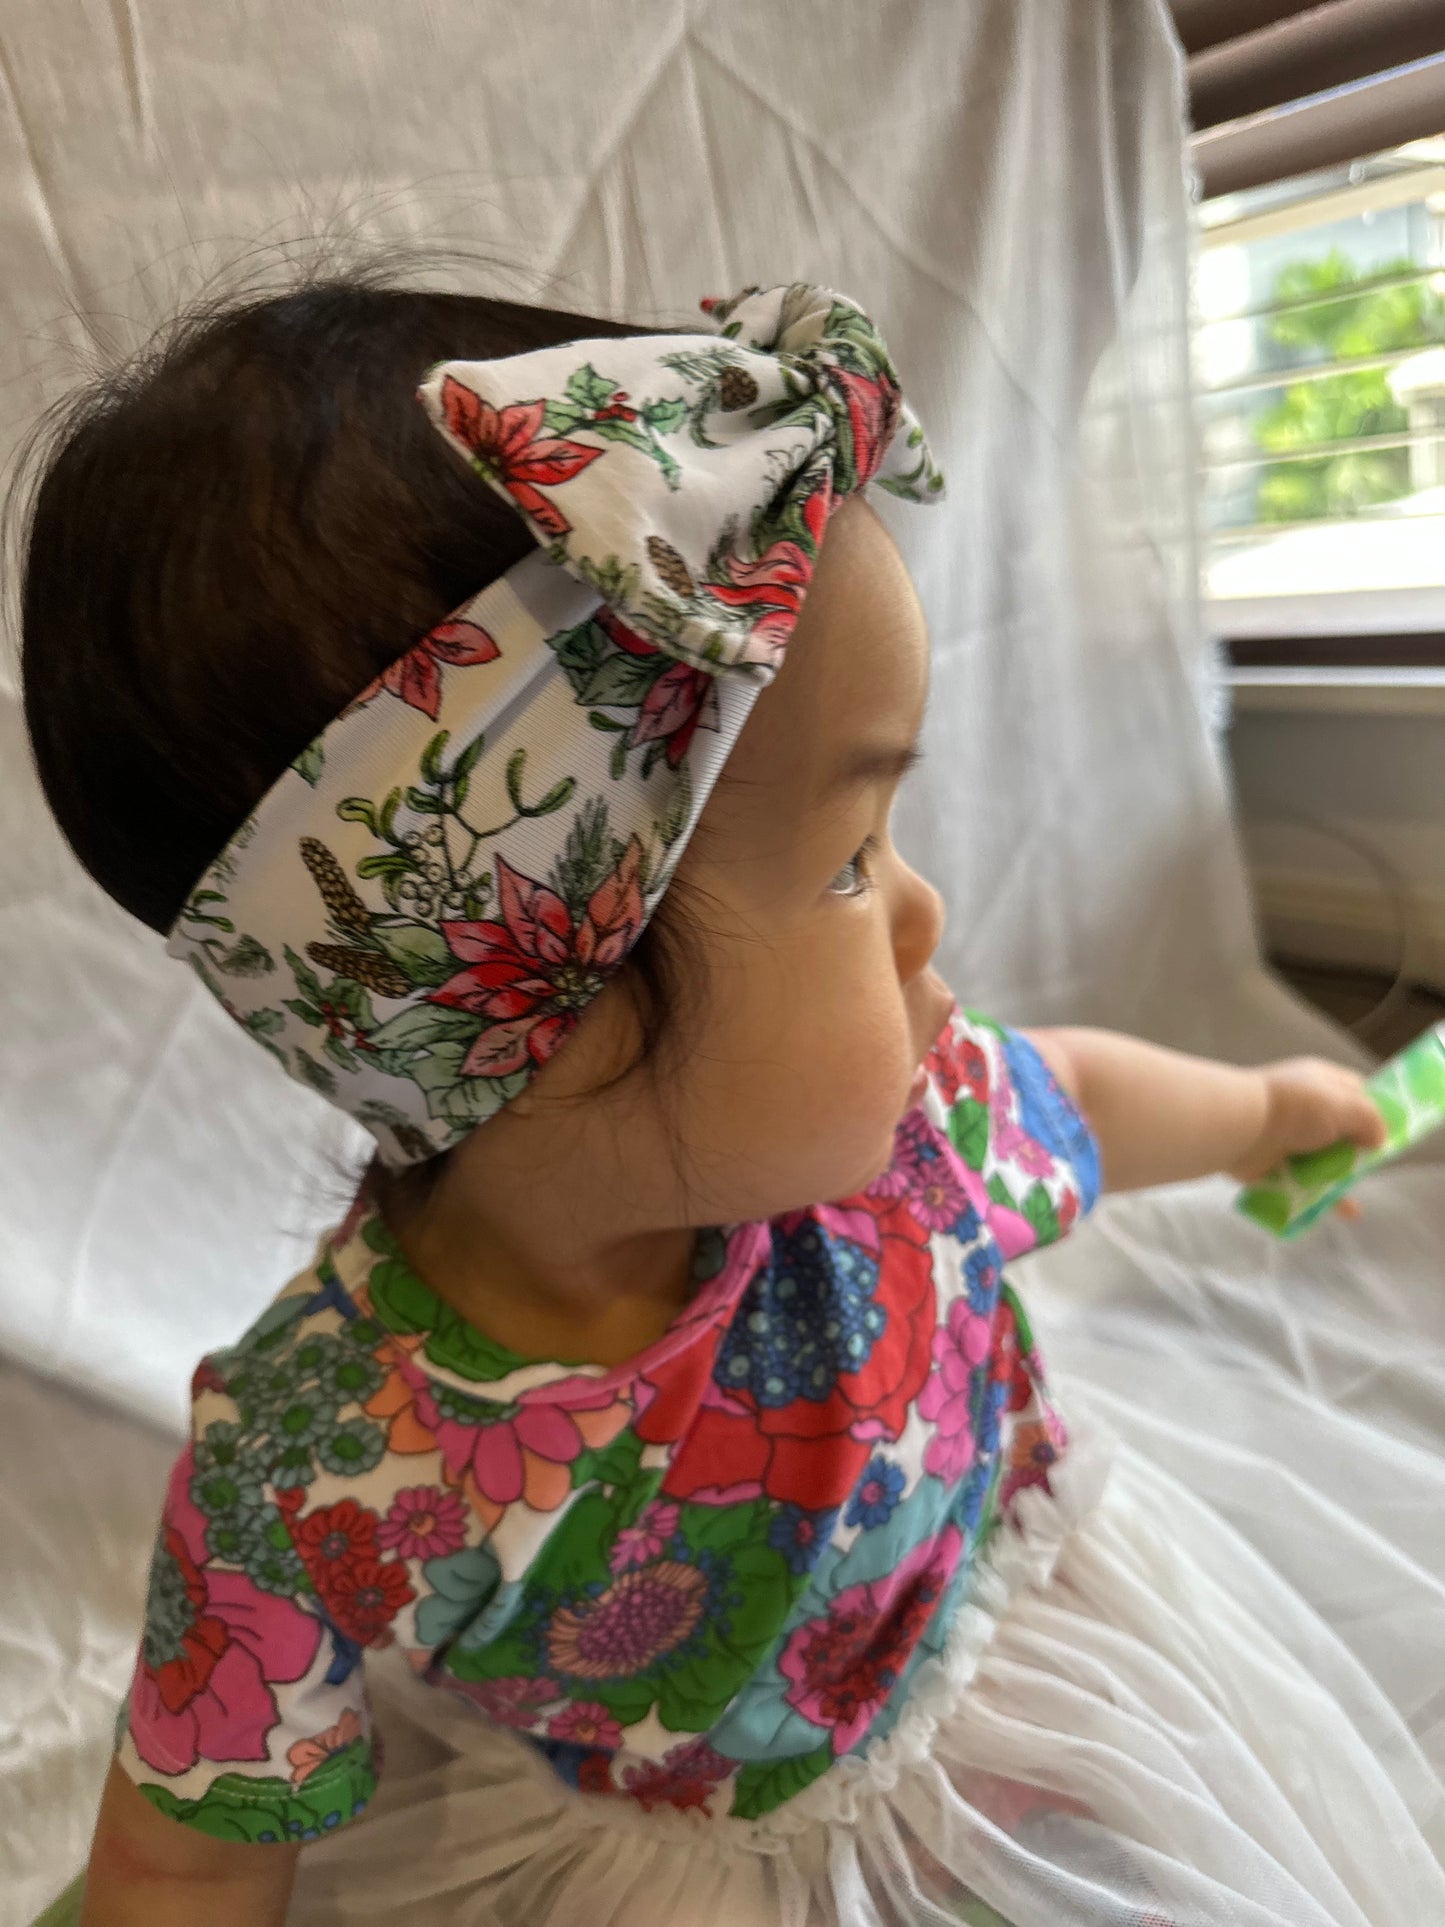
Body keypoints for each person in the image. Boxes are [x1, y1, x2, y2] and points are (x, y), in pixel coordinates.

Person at [17, 274, 1441, 1927]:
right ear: (515, 1004)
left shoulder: (906, 1147)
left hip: (1054, 1661)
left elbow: (1088, 1101)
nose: (923, 914)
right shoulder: (319, 1465)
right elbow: (186, 1850)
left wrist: (1274, 1105)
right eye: (845, 860)